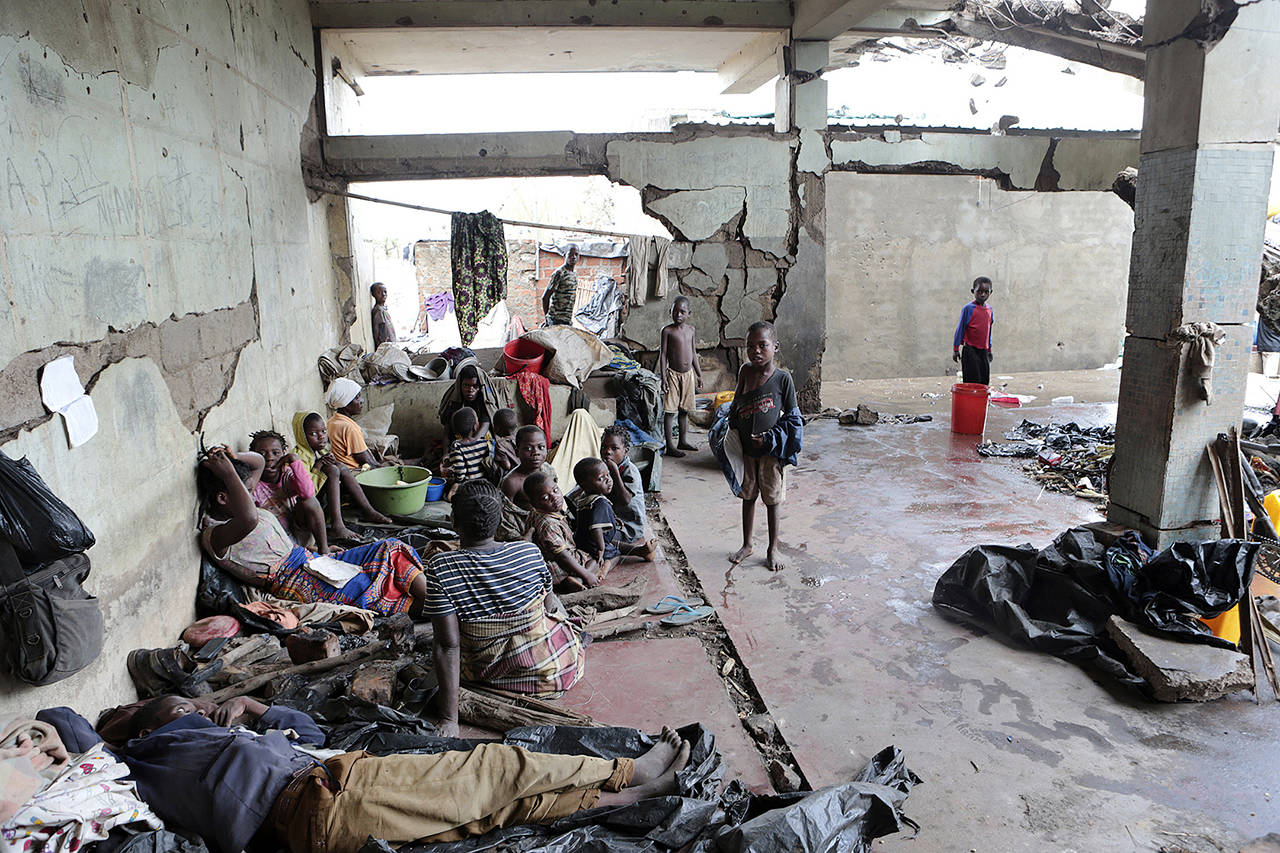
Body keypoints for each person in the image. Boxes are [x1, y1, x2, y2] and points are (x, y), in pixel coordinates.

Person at [39, 696, 690, 853]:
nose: (191, 701)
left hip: (334, 778)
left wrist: (259, 709)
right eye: (170, 703)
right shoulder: (128, 764)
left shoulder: (210, 728)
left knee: (491, 811)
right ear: (137, 726)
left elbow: (316, 732)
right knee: (495, 764)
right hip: (316, 804)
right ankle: (625, 767)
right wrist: (122, 725)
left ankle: (627, 790)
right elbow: (59, 716)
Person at [426, 481, 587, 738]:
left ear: (453, 521)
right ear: (500, 519)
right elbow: (548, 608)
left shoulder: (441, 568)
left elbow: (448, 646)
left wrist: (449, 719)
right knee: (555, 615)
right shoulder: (529, 552)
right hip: (550, 671)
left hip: (487, 674)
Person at [196, 445, 426, 616]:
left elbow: (258, 464)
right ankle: (433, 609)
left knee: (392, 548)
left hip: (309, 558)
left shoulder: (239, 507)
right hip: (293, 580)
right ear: (223, 498)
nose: (251, 494)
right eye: (246, 491)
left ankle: (434, 598)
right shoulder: (216, 535)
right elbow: (250, 518)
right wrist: (227, 474)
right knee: (366, 589)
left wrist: (233, 459)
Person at [727, 322, 803, 572]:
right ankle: (747, 544)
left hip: (771, 454)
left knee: (772, 500)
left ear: (776, 347)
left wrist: (772, 438)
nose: (755, 351)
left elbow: (793, 418)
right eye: (750, 346)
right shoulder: (745, 373)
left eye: (763, 345)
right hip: (748, 451)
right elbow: (737, 404)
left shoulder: (783, 379)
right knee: (748, 497)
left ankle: (773, 547)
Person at [290, 411, 391, 537]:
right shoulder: (299, 457)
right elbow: (307, 491)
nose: (321, 436)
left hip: (322, 502)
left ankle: (368, 510)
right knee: (332, 470)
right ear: (302, 436)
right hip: (307, 510)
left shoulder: (319, 450)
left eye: (323, 431)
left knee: (340, 467)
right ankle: (337, 525)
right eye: (313, 434)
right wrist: (319, 465)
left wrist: (330, 461)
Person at [248, 429, 328, 554]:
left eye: (276, 453)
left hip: (300, 532)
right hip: (276, 542)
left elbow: (307, 493)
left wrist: (294, 460)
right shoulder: (254, 484)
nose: (269, 458)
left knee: (310, 502)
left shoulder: (287, 474)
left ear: (283, 454)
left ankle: (324, 551)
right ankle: (303, 551)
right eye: (262, 454)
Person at [524, 470, 602, 591]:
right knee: (595, 560)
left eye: (555, 490)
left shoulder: (535, 513)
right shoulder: (549, 524)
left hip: (547, 559)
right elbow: (562, 556)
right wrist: (586, 575)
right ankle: (578, 579)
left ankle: (573, 580)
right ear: (534, 503)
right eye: (545, 497)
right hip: (558, 563)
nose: (554, 497)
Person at [600, 424, 657, 559]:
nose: (608, 451)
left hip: (628, 526)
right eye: (604, 447)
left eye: (614, 448)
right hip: (613, 521)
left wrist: (614, 472)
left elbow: (625, 500)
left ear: (625, 450)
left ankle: (638, 551)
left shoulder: (630, 470)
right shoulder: (602, 467)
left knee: (597, 539)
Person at [659, 296, 703, 458]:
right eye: (675, 311)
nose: (678, 314)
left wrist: (699, 374)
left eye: (682, 312)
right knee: (670, 411)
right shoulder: (667, 331)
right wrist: (663, 377)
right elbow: (663, 355)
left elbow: (693, 354)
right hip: (672, 375)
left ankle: (682, 441)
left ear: (688, 313)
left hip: (688, 375)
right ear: (670, 312)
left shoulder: (691, 331)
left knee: (684, 410)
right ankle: (670, 445)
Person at [497, 426, 554, 542]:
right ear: (517, 451)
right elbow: (503, 519)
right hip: (525, 532)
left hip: (550, 526)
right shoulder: (512, 482)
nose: (535, 453)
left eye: (541, 447)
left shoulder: (548, 470)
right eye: (528, 449)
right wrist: (520, 539)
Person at [324, 378, 382, 471]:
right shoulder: (349, 428)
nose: (362, 400)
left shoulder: (332, 421)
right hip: (354, 472)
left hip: (343, 471)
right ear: (345, 403)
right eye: (357, 398)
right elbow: (368, 463)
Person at [439, 362, 498, 444]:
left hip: (480, 438)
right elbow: (447, 430)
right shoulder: (454, 399)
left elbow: (486, 423)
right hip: (458, 439)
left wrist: (471, 443)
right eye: (466, 385)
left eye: (475, 386)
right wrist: (446, 453)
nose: (470, 390)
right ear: (460, 385)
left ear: (480, 386)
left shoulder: (484, 399)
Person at [952, 276, 994, 386]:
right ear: (973, 291)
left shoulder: (989, 310)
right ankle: (971, 403)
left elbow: (988, 331)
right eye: (979, 291)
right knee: (972, 380)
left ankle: (981, 403)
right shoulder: (968, 309)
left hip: (983, 351)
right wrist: (956, 349)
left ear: (991, 292)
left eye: (986, 292)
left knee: (984, 380)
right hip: (970, 350)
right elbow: (960, 329)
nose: (983, 294)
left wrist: (989, 349)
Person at [445, 407, 492, 499]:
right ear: (475, 426)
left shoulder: (456, 446)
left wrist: (457, 481)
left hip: (468, 486)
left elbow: (460, 472)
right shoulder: (484, 443)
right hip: (485, 483)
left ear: (456, 430)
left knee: (448, 491)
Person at [542, 245, 579, 326]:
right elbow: (545, 297)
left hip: (567, 320)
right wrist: (547, 319)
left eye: (576, 254)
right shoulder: (559, 273)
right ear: (565, 255)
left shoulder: (574, 274)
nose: (573, 257)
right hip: (556, 319)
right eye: (570, 254)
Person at [491, 407, 520, 478]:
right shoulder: (520, 436)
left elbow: (507, 465)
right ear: (516, 426)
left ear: (497, 428)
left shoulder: (500, 444)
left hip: (514, 475)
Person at [370, 282, 397, 348]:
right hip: (385, 347)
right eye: (379, 292)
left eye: (385, 292)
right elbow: (376, 331)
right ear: (374, 295)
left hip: (390, 345)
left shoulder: (383, 309)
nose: (383, 294)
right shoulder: (378, 311)